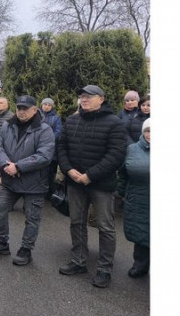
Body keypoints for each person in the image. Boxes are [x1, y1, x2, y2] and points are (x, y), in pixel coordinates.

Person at [57, 84, 127, 288]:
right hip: (75, 181)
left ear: (101, 99)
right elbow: (61, 147)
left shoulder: (114, 123)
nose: (84, 99)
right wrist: (68, 169)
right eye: (82, 96)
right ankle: (78, 261)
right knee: (76, 222)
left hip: (101, 184)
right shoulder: (72, 120)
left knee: (105, 227)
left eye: (89, 96)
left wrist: (90, 175)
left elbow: (116, 155)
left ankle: (104, 269)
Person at [0, 96, 55, 266]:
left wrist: (18, 166)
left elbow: (44, 156)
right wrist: (6, 164)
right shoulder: (8, 125)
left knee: (32, 217)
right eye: (19, 108)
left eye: (25, 108)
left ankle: (26, 249)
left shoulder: (44, 130)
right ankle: (2, 242)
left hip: (34, 183)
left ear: (34, 110)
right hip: (10, 181)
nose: (21, 111)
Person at [118, 118, 150, 278]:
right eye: (148, 131)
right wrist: (121, 192)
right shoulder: (132, 149)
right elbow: (123, 173)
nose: (151, 134)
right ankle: (140, 264)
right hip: (138, 197)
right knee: (141, 232)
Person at [39, 98, 63, 199]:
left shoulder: (56, 118)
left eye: (49, 105)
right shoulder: (37, 115)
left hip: (51, 148)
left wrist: (47, 139)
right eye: (45, 104)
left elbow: (58, 131)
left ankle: (49, 192)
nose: (46, 106)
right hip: (38, 146)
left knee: (49, 172)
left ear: (52, 107)